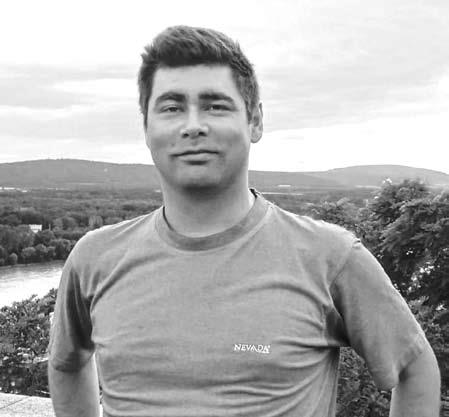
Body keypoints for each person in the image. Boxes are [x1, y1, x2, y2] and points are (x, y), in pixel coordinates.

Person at [48, 25, 440, 417]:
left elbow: (415, 368)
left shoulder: (328, 256)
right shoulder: (95, 258)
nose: (193, 125)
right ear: (146, 127)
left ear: (254, 121)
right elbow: (66, 363)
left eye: (215, 106)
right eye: (171, 107)